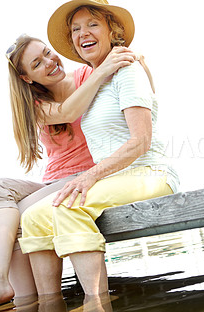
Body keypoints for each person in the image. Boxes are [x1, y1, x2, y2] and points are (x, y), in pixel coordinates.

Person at [17, 0, 179, 307]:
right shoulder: (92, 82)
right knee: (34, 217)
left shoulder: (127, 70)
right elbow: (64, 108)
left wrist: (89, 176)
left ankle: (96, 302)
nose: (83, 34)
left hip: (149, 173)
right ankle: (49, 304)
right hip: (115, 179)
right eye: (76, 29)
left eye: (92, 24)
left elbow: (140, 141)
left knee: (68, 205)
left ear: (111, 29)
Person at [0, 34, 140, 312]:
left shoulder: (87, 74)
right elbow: (67, 112)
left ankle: (29, 302)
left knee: (22, 215)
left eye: (47, 52)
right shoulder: (36, 105)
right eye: (37, 63)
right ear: (26, 78)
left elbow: (133, 79)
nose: (50, 61)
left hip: (88, 175)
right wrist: (103, 71)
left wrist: (113, 65)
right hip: (54, 181)